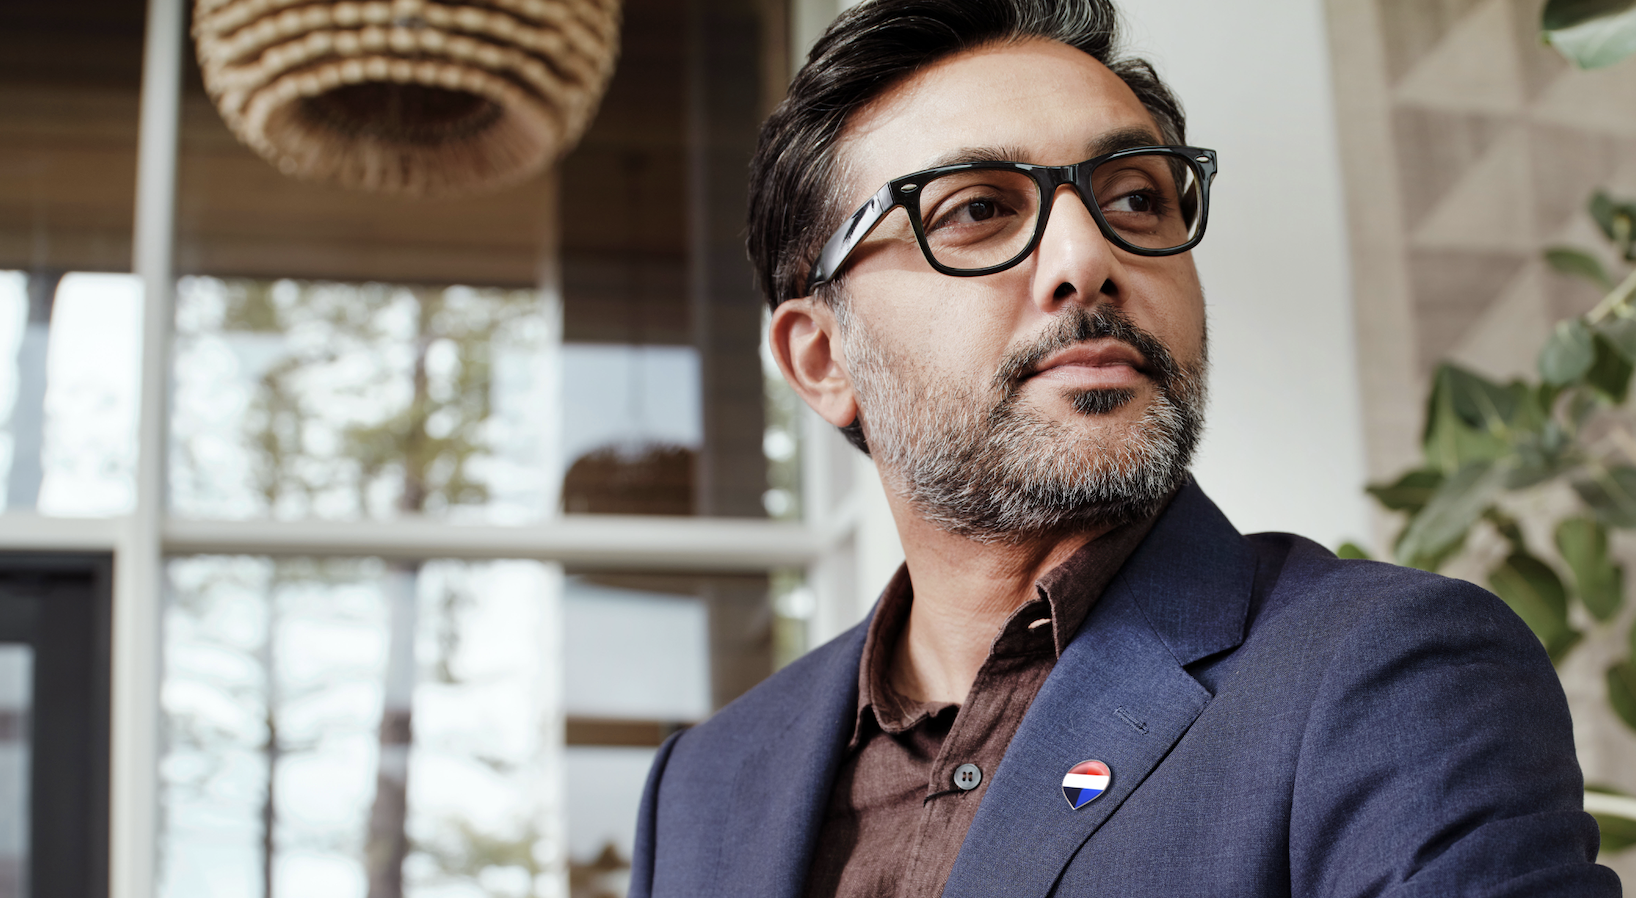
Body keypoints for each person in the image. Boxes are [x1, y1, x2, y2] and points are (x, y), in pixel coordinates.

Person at [629, 1, 1622, 895]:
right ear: (821, 358)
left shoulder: (1397, 673)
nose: (1086, 257)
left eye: (1137, 198)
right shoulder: (703, 788)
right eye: (977, 210)